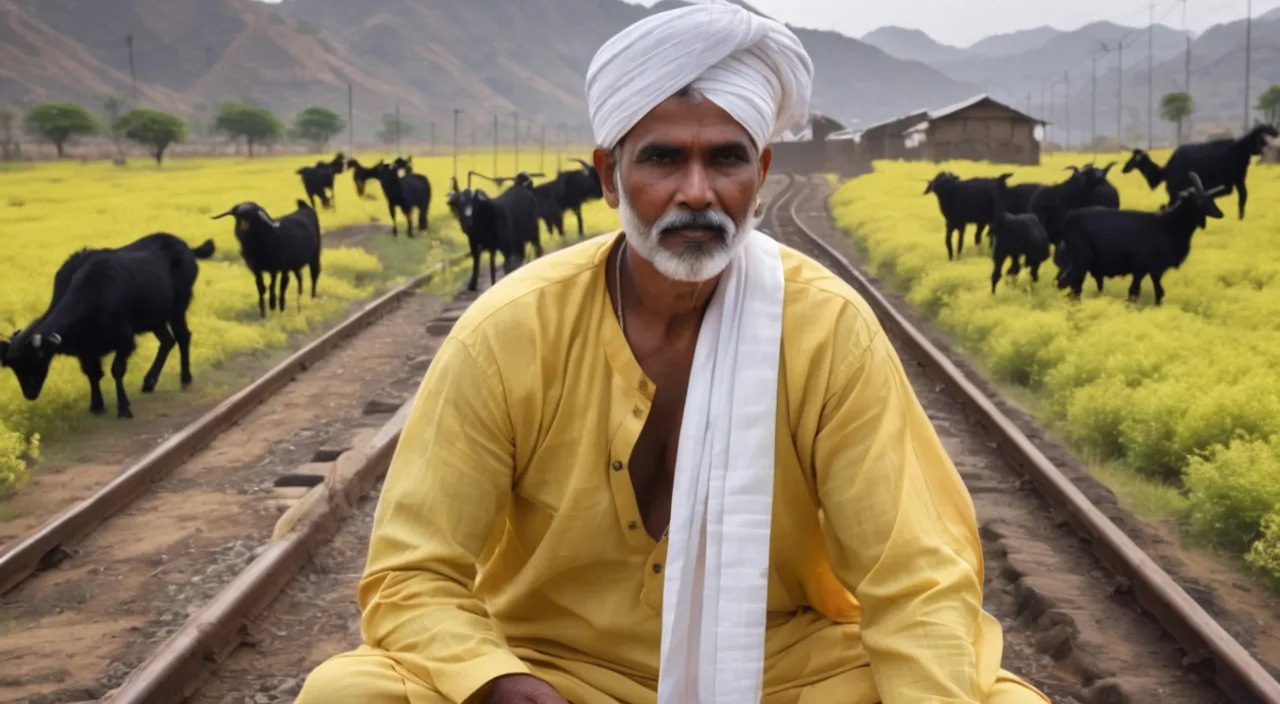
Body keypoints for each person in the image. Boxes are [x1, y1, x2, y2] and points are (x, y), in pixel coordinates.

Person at [295, 2, 1052, 703]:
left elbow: (916, 575)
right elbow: (411, 573)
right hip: (552, 667)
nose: (696, 193)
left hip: (782, 669)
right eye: (661, 159)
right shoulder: (509, 332)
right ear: (607, 176)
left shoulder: (826, 330)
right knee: (348, 694)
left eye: (725, 160)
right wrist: (491, 679)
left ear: (758, 178)